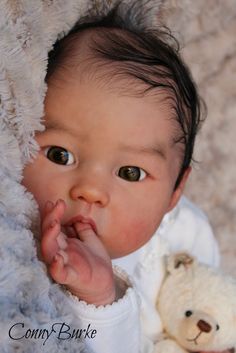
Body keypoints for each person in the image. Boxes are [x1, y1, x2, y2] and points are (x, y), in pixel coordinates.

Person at [22, 6, 219, 353]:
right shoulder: (28, 258)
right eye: (59, 155)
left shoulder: (187, 232)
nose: (90, 190)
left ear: (174, 192)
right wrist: (99, 299)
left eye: (131, 173)